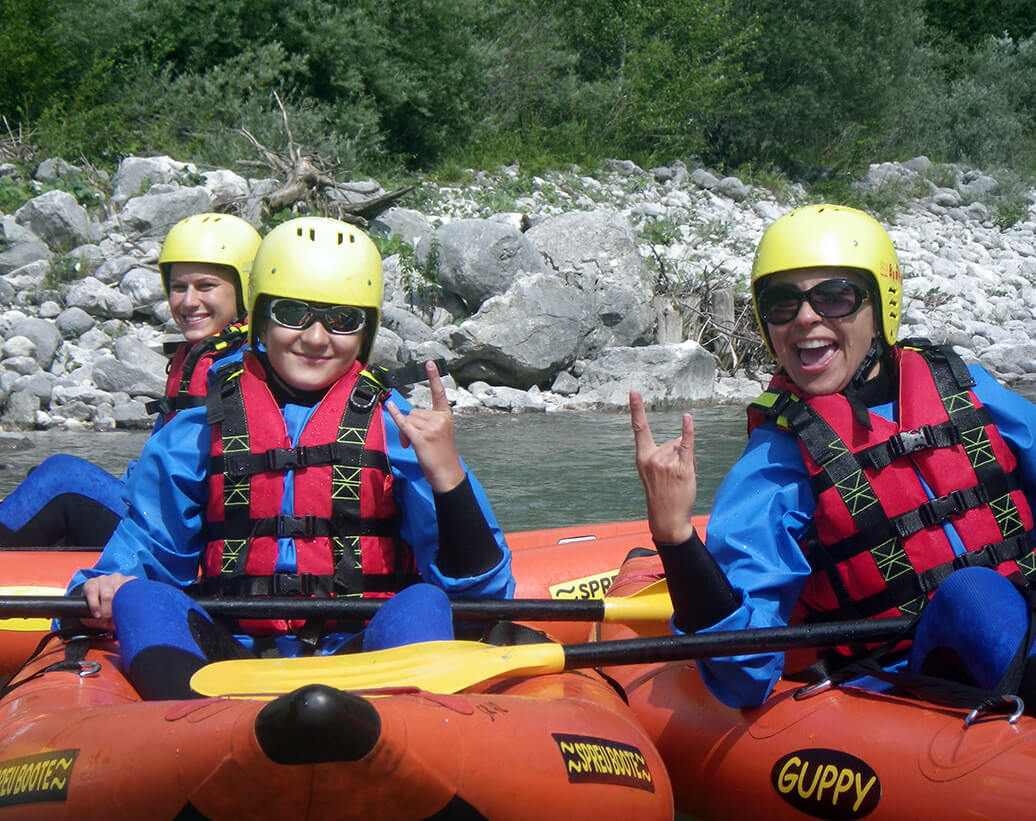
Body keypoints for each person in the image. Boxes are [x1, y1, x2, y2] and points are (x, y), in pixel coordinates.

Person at [68, 216, 514, 699]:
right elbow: (147, 551)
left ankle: (404, 733)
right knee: (141, 597)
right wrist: (105, 585)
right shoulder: (196, 431)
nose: (317, 338)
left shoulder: (400, 430)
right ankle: (185, 733)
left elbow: (484, 597)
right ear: (259, 318)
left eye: (343, 320)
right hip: (228, 655)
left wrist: (447, 476)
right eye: (291, 313)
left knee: (424, 601)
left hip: (363, 653)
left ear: (365, 332)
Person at [630, 203, 1036, 710]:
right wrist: (676, 540)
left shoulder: (967, 389)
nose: (805, 318)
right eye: (782, 303)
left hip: (1024, 624)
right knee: (971, 596)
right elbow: (743, 677)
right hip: (911, 681)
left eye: (835, 297)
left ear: (880, 306)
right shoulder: (775, 464)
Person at [0, 213, 261, 547]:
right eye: (179, 287)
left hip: (183, 538)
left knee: (60, 477)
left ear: (244, 288)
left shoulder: (246, 366)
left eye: (205, 286)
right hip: (162, 515)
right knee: (43, 476)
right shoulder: (207, 354)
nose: (188, 301)